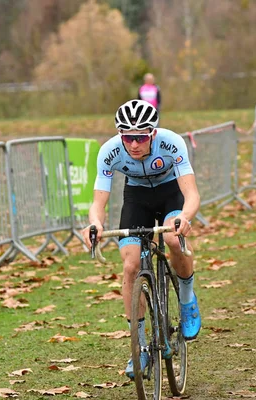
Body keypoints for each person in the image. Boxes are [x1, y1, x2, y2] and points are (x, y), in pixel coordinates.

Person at [82, 99, 201, 379]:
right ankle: (140, 348)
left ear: (153, 134)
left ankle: (186, 301)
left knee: (173, 240)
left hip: (171, 192)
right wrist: (95, 224)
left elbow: (192, 193)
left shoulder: (172, 143)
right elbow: (98, 201)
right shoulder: (109, 152)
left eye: (140, 137)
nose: (133, 144)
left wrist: (184, 217)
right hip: (137, 198)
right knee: (131, 266)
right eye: (127, 137)